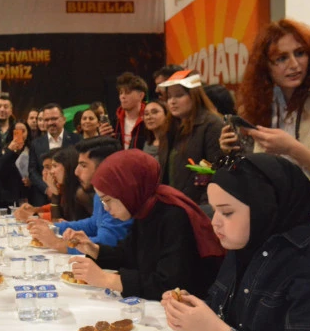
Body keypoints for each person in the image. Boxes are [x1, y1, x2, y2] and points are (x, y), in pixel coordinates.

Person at [161, 154, 310, 331]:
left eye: (227, 212)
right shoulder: (245, 245)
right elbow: (222, 312)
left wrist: (217, 330)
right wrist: (191, 311)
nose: (214, 222)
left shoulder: (309, 265)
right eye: (214, 210)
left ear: (263, 209)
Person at [69, 149, 224, 300]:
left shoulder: (173, 216)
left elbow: (170, 284)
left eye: (107, 200)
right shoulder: (144, 209)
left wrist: (107, 279)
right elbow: (129, 255)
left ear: (128, 190)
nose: (106, 208)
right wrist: (94, 250)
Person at [219, 19, 310, 225]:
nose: (294, 65)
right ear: (266, 66)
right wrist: (232, 150)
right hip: (275, 220)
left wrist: (293, 149)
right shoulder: (263, 108)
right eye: (281, 58)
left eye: (300, 53)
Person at [27, 137, 132, 255]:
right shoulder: (100, 192)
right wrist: (54, 227)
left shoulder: (118, 195)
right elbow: (93, 224)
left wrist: (57, 243)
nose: (76, 171)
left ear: (104, 166)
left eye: (83, 165)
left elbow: (106, 242)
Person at [158, 70, 224, 204]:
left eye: (179, 95)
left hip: (198, 206)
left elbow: (215, 173)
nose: (172, 101)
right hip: (172, 203)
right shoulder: (170, 126)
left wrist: (204, 208)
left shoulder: (212, 125)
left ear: (194, 95)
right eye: (169, 96)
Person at [28, 103, 81, 205]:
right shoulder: (36, 144)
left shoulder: (77, 140)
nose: (50, 123)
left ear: (63, 119)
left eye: (54, 119)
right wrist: (47, 189)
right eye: (46, 120)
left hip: (71, 196)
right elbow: (32, 171)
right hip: (43, 198)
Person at [99, 72, 148, 150]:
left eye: (127, 92)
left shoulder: (149, 120)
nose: (122, 96)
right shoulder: (114, 122)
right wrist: (104, 139)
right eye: (121, 93)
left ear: (141, 95)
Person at [0, 120, 32, 207]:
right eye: (17, 131)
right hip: (7, 196)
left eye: (23, 131)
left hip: (27, 194)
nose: (20, 134)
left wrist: (31, 181)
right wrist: (9, 150)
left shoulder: (32, 149)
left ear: (27, 133)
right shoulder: (4, 149)